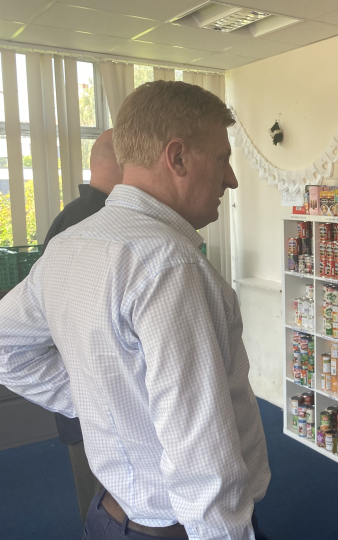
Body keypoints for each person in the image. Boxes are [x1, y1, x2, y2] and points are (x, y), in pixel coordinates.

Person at [0, 81, 270, 540]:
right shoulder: (170, 266)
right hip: (177, 529)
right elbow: (203, 464)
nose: (232, 180)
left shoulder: (69, 245)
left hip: (109, 516)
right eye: (223, 159)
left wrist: (107, 402)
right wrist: (107, 401)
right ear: (178, 157)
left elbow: (7, 348)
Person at [41, 128, 121, 525]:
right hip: (98, 397)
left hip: (82, 393)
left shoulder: (68, 218)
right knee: (108, 506)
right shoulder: (100, 226)